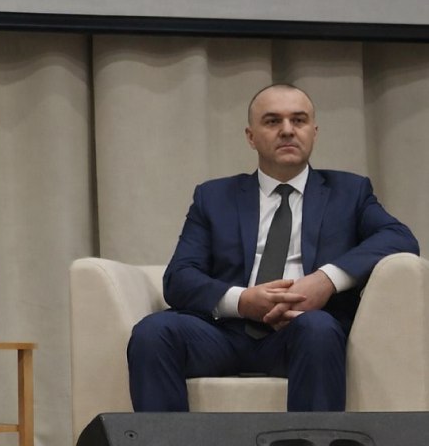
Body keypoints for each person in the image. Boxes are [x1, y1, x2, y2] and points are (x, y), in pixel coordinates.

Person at [127, 83, 419, 412]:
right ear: (251, 136)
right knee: (153, 332)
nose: (287, 130)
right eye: (272, 121)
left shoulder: (350, 192)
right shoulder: (214, 197)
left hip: (304, 331)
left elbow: (399, 238)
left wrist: (324, 281)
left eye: (299, 120)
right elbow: (179, 278)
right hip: (223, 331)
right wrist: (243, 301)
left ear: (314, 132)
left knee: (319, 328)